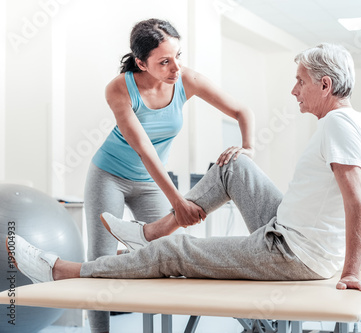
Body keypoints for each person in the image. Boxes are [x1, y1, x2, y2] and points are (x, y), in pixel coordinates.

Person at [10, 44, 361, 321]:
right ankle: (150, 232)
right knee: (235, 164)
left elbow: (357, 203)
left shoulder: (337, 125)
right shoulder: (355, 123)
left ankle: (61, 270)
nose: (293, 90)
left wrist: (352, 271)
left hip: (292, 253)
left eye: (300, 81)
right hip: (288, 228)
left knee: (176, 252)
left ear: (325, 86)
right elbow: (350, 200)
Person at [84, 19, 254, 332]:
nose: (175, 68)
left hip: (149, 183)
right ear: (141, 63)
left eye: (178, 56)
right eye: (164, 62)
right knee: (99, 263)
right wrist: (178, 202)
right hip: (109, 175)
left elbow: (242, 111)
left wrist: (248, 148)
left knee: (169, 256)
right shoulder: (120, 88)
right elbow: (144, 148)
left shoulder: (186, 80)